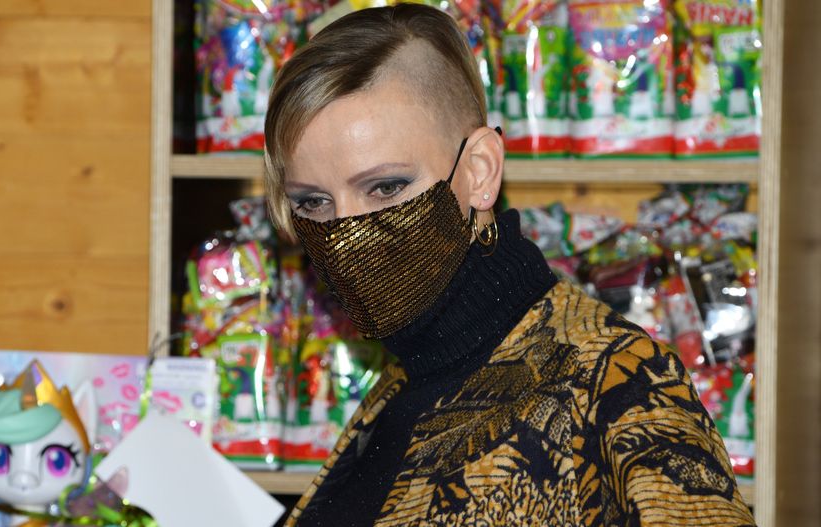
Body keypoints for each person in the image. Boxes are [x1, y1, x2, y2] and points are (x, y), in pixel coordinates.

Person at [263, 4, 756, 526]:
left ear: (480, 171)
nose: (347, 237)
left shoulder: (618, 383)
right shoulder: (403, 382)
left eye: (386, 187)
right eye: (313, 202)